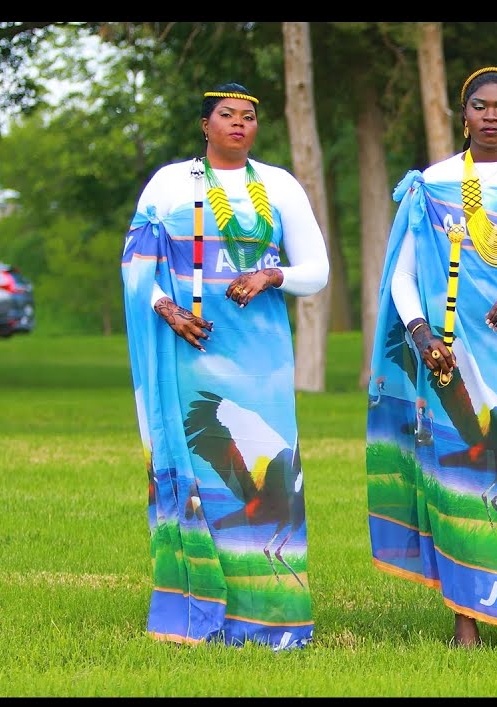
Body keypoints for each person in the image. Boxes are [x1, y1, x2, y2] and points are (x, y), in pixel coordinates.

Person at [365, 66, 497, 648]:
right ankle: (466, 620)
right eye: (479, 106)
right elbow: (403, 276)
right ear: (464, 115)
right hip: (447, 356)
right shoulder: (432, 183)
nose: (489, 115)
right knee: (455, 475)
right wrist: (421, 333)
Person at [120, 82, 329, 650]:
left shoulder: (279, 186)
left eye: (249, 117)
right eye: (227, 116)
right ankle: (195, 609)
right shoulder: (168, 184)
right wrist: (166, 308)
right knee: (203, 464)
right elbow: (136, 267)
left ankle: (273, 616)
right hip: (190, 355)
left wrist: (271, 275)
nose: (239, 124)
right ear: (205, 124)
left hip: (261, 358)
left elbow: (318, 269)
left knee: (270, 467)